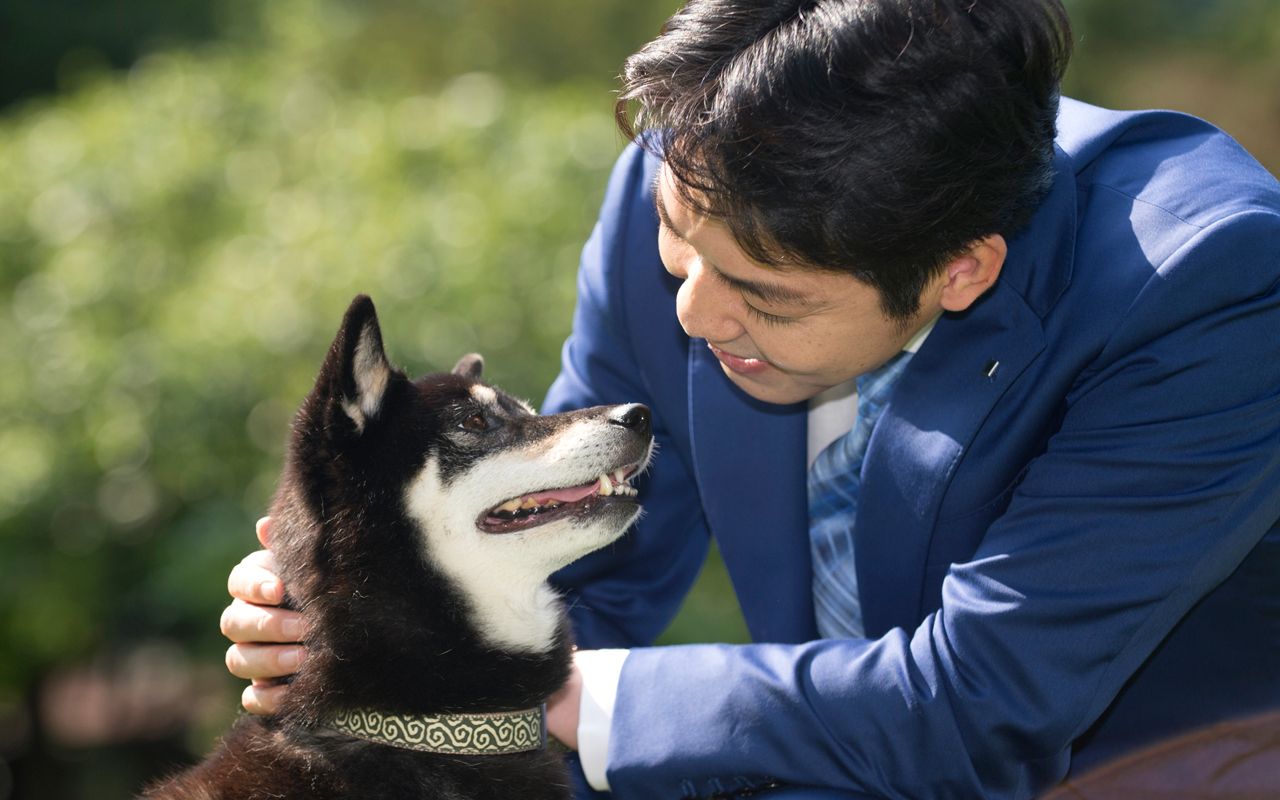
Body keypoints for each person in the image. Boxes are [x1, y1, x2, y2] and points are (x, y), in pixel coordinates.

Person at [220, 1, 1280, 797]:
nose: (690, 314)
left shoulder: (1202, 285)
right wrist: (370, 607)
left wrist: (558, 701)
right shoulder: (682, 181)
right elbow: (587, 577)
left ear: (961, 270)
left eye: (765, 296)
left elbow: (982, 701)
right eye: (679, 246)